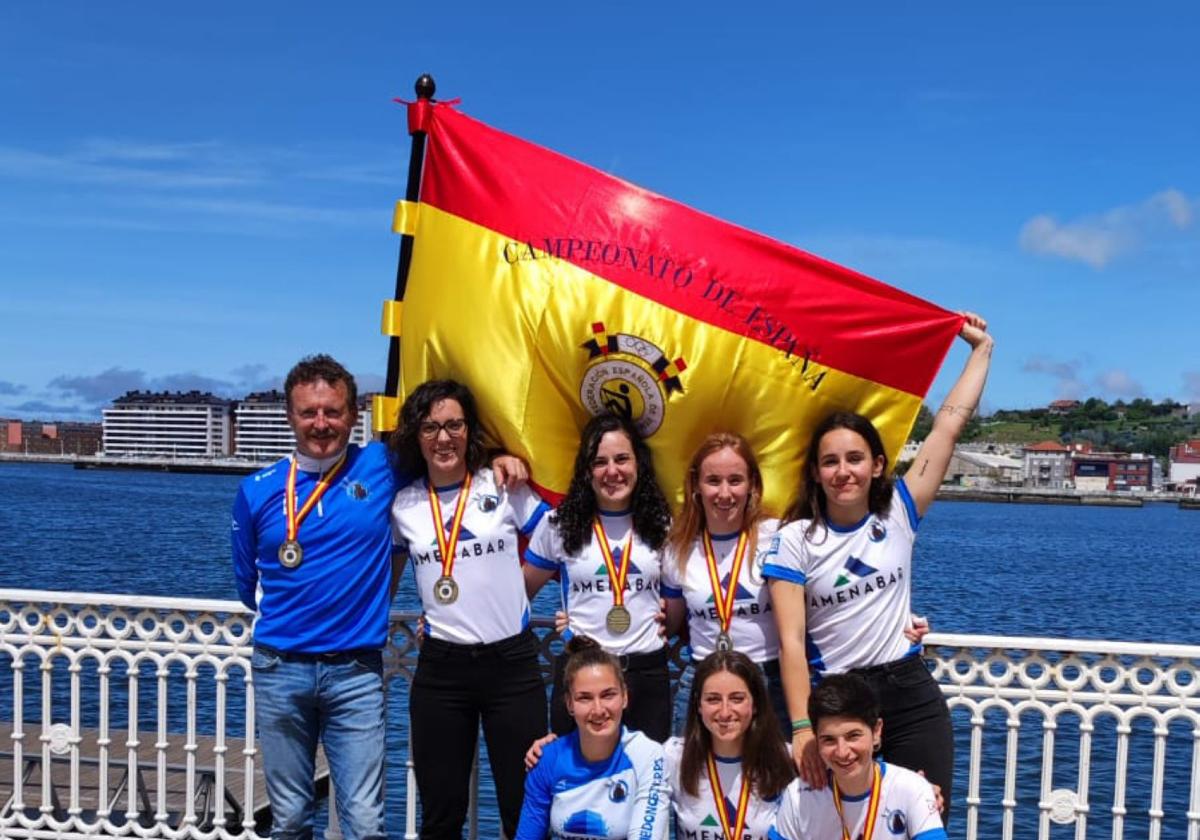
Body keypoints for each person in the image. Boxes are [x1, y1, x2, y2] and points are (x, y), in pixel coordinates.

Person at [765, 312, 992, 820]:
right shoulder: (794, 541)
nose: (843, 471)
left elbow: (949, 424)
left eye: (854, 458)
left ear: (877, 464)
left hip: (910, 695)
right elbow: (791, 643)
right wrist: (804, 728)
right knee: (841, 826)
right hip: (840, 702)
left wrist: (980, 350)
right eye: (830, 461)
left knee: (925, 816)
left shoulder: (900, 512)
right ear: (816, 473)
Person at [231, 355, 395, 840]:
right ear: (291, 416)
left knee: (364, 823)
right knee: (290, 818)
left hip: (356, 673)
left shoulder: (382, 466)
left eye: (333, 411)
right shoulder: (256, 491)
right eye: (309, 412)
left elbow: (449, 448)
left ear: (353, 414)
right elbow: (246, 583)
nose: (321, 423)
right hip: (281, 670)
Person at [388, 379, 550, 839]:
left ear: (470, 429)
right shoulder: (404, 506)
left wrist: (521, 592)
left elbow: (559, 540)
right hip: (441, 670)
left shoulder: (501, 483)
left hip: (511, 667)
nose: (444, 438)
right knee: (441, 816)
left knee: (525, 811)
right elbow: (385, 582)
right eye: (431, 427)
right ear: (416, 436)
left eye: (454, 425)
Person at [524, 412, 674, 741]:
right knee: (577, 786)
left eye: (622, 459)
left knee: (646, 783)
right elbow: (517, 597)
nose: (612, 471)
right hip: (581, 673)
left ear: (639, 464)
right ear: (586, 469)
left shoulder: (664, 526)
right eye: (600, 462)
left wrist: (668, 622)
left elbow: (677, 610)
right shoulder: (557, 525)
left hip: (646, 674)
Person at [661, 433, 790, 738]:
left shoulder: (778, 537)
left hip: (768, 679)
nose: (724, 492)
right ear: (696, 487)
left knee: (776, 780)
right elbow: (669, 624)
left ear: (752, 485)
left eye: (735, 480)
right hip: (703, 680)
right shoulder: (677, 548)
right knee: (694, 781)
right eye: (713, 481)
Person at [515, 636, 669, 839]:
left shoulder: (648, 756)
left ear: (625, 697)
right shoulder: (547, 758)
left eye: (608, 695)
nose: (598, 710)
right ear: (569, 704)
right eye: (585, 698)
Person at [769, 674, 946, 840]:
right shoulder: (798, 796)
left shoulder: (912, 789)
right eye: (829, 740)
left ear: (876, 731)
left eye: (853, 736)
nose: (842, 752)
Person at [665, 651, 794, 839]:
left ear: (755, 704)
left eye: (737, 699)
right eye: (713, 699)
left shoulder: (787, 759)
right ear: (698, 706)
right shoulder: (674, 756)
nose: (725, 712)